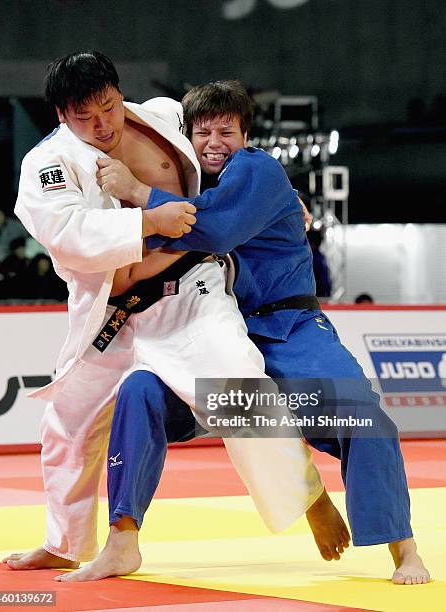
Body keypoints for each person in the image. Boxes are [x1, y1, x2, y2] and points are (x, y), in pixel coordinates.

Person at [81, 80, 429, 585]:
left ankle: (405, 551)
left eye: (227, 130)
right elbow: (145, 239)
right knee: (140, 392)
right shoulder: (189, 185)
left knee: (364, 416)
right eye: (203, 132)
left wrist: (136, 193)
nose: (215, 142)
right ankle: (122, 538)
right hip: (221, 339)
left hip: (290, 330)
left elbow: (214, 230)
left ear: (246, 135)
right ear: (187, 137)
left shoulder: (257, 169)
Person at [4, 54, 327, 575]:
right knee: (68, 424)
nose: (102, 125)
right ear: (62, 115)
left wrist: (278, 196)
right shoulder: (49, 165)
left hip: (189, 295)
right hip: (114, 316)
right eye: (86, 118)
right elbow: (69, 240)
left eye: (108, 107)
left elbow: (225, 154)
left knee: (238, 383)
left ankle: (307, 499)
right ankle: (66, 541)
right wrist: (147, 218)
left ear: (117, 92)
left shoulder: (162, 117)